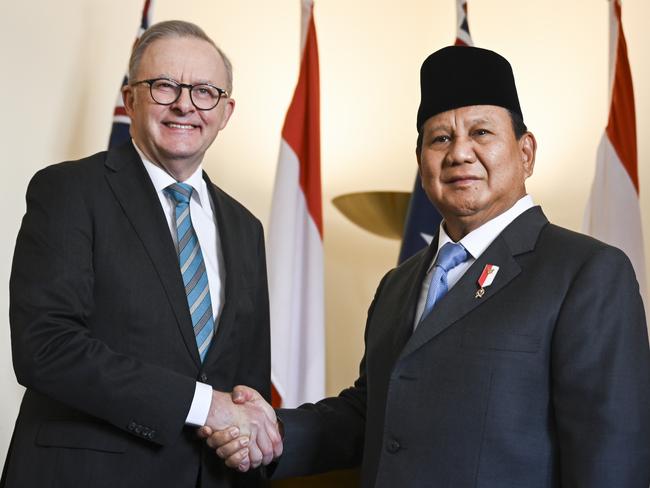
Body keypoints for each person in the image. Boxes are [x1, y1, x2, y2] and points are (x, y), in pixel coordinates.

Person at [207, 46, 650, 487]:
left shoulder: (586, 273)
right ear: (421, 162)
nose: (459, 153)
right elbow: (371, 414)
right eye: (440, 138)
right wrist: (275, 432)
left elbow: (611, 462)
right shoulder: (397, 284)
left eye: (481, 133)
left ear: (526, 152)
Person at [2, 20, 281, 488]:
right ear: (130, 98)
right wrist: (201, 404)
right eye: (164, 85)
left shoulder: (245, 228)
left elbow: (243, 386)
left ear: (226, 110)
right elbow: (44, 346)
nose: (184, 105)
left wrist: (248, 439)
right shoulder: (68, 190)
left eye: (205, 92)